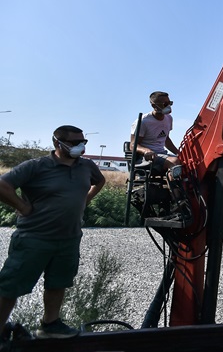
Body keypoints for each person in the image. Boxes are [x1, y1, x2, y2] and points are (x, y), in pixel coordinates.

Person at [0, 125, 105, 339]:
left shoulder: (86, 166)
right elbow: (2, 185)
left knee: (58, 282)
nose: (81, 147)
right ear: (58, 142)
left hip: (69, 238)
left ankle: (50, 325)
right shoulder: (36, 166)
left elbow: (100, 180)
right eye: (75, 143)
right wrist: (22, 206)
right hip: (33, 238)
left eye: (83, 142)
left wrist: (85, 200)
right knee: (10, 286)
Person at [130, 91, 181, 174]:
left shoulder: (169, 119)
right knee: (174, 162)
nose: (168, 106)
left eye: (170, 103)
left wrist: (179, 153)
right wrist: (146, 151)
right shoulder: (143, 121)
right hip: (146, 158)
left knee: (185, 162)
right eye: (165, 104)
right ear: (154, 106)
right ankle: (175, 182)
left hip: (162, 154)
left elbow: (166, 139)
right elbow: (133, 145)